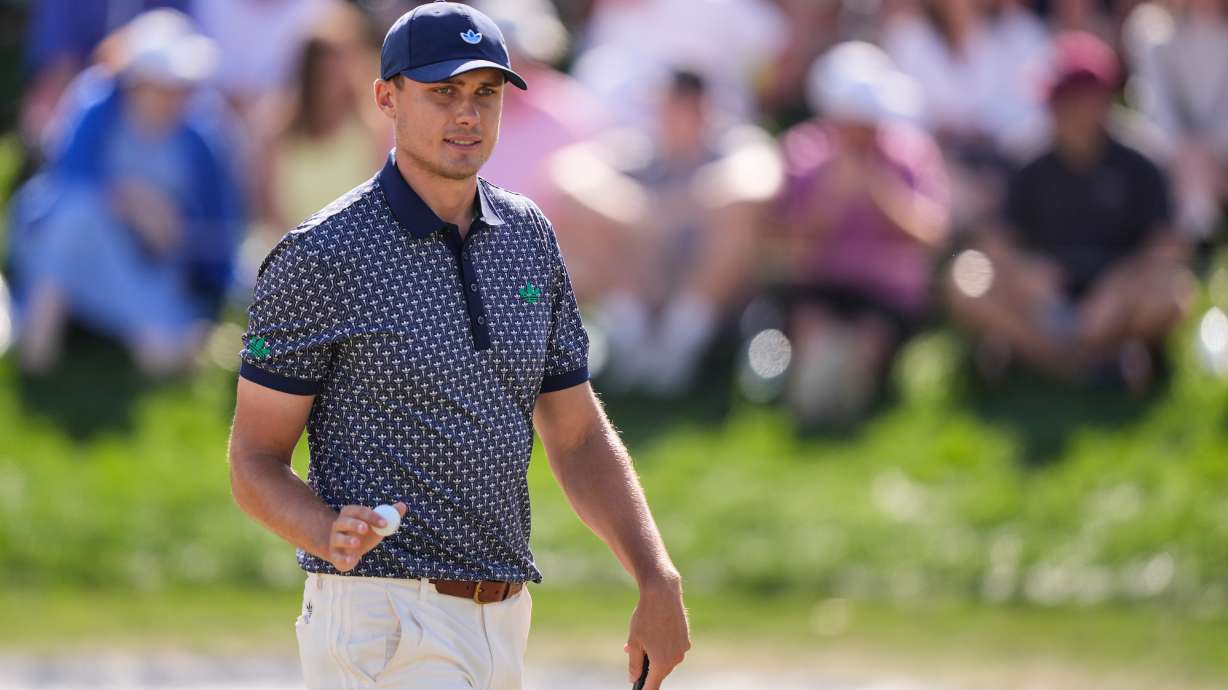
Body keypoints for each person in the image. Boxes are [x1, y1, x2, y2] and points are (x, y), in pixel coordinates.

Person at [226, 5, 691, 690]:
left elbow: (577, 433)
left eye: (486, 93)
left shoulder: (528, 236)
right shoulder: (321, 256)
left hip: (503, 619)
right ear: (386, 97)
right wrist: (323, 530)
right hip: (379, 621)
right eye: (443, 92)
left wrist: (655, 574)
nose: (467, 114)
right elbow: (253, 459)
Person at [945, 31, 1195, 393]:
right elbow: (995, 240)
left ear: (1100, 101)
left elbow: (1170, 246)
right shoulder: (1026, 157)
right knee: (965, 280)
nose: (1059, 112)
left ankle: (1041, 358)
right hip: (1046, 299)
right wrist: (1026, 272)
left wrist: (1118, 289)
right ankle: (1077, 363)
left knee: (1173, 295)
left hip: (1117, 294)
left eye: (1069, 100)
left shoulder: (1142, 157)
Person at [8, 9, 244, 376]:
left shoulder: (204, 136)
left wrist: (175, 234)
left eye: (181, 87)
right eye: (162, 86)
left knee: (160, 346)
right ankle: (45, 338)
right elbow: (61, 196)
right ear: (136, 81)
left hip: (149, 265)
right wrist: (129, 200)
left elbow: (216, 237)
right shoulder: (94, 105)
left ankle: (135, 332)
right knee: (78, 215)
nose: (174, 98)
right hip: (70, 250)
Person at [775, 42, 950, 427]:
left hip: (887, 296)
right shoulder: (803, 152)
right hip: (820, 286)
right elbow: (789, 244)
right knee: (814, 345)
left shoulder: (911, 152)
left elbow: (931, 235)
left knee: (864, 351)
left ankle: (855, 386)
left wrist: (879, 191)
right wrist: (831, 198)